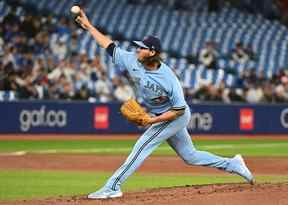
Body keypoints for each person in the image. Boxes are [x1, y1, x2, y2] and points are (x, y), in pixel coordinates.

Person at [75, 9, 255, 199]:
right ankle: (233, 164)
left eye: (142, 48)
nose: (138, 49)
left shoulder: (169, 78)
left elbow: (179, 109)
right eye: (138, 47)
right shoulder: (132, 60)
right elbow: (109, 46)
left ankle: (112, 186)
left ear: (152, 52)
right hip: (162, 114)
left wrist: (152, 121)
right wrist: (89, 27)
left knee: (142, 146)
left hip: (174, 115)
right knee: (190, 156)